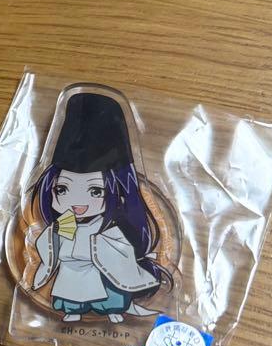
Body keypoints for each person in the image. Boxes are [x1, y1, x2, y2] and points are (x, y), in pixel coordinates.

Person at [30, 92, 171, 323]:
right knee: (70, 292)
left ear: (119, 193)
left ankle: (113, 308)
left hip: (99, 272)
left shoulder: (110, 228)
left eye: (96, 191)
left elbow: (121, 254)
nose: (78, 202)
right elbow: (48, 246)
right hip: (69, 273)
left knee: (106, 289)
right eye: (62, 189)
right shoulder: (62, 224)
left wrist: (102, 250)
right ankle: (73, 310)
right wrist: (56, 239)